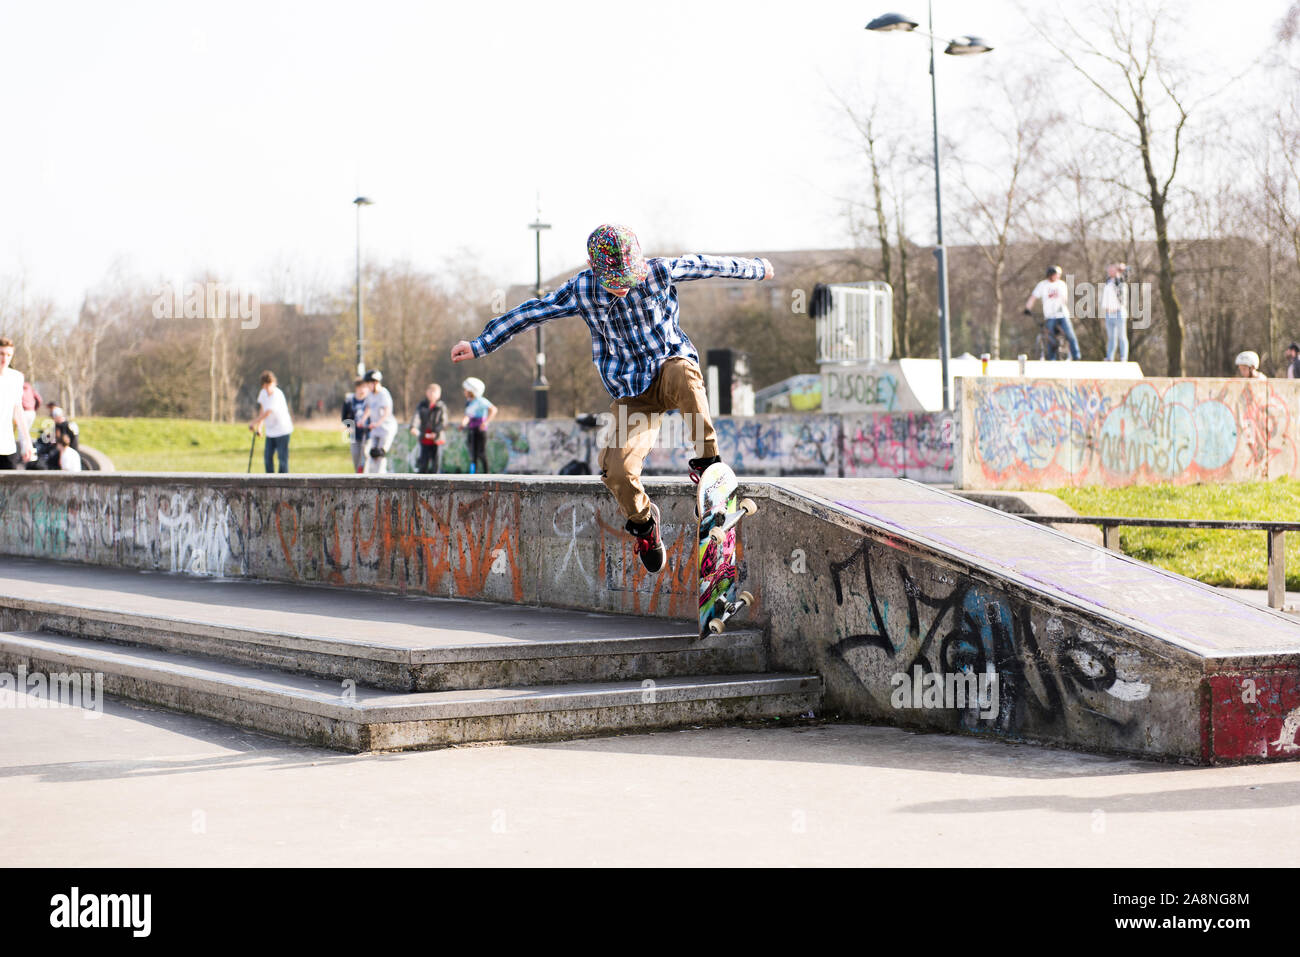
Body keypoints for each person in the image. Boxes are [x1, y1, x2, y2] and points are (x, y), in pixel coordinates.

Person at [451, 223, 775, 573]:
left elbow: (708, 264)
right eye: (614, 281)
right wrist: (480, 344)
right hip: (633, 394)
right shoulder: (582, 289)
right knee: (616, 470)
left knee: (685, 373)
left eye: (628, 278)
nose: (622, 287)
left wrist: (758, 269)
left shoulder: (658, 271)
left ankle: (707, 464)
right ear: (594, 269)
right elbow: (531, 312)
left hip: (668, 370)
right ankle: (646, 525)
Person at [1025, 265, 1080, 361]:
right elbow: (1033, 297)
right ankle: (1052, 358)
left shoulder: (1061, 284)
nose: (1058, 276)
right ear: (1050, 275)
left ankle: (1076, 356)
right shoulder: (1042, 285)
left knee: (1070, 334)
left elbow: (1065, 299)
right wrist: (1027, 308)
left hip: (1062, 314)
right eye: (1056, 274)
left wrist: (1062, 304)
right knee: (1049, 337)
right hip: (1050, 316)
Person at [0, 337, 36, 469]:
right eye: (1, 354)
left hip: (7, 446)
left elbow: (18, 411)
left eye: (8, 355)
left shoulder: (16, 378)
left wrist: (27, 442)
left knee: (10, 488)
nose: (4, 358)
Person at [249, 370, 294, 473]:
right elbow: (262, 410)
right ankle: (269, 481)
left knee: (282, 459)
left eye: (270, 385)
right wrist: (259, 427)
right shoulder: (263, 393)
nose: (268, 388)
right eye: (266, 386)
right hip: (271, 432)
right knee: (267, 458)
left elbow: (267, 412)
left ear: (274, 383)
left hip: (283, 430)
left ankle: (283, 483)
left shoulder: (277, 395)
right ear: (263, 386)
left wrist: (253, 422)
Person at [358, 369, 397, 474]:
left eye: (369, 384)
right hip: (375, 429)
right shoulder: (370, 395)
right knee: (371, 453)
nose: (367, 387)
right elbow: (368, 409)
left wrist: (378, 423)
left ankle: (381, 476)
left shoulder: (384, 394)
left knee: (379, 453)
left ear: (375, 382)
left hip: (387, 428)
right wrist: (362, 420)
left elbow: (387, 412)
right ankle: (372, 475)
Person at [460, 377, 496, 475]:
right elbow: (467, 416)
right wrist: (463, 423)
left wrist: (486, 422)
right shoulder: (468, 402)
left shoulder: (481, 401)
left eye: (466, 390)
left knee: (481, 453)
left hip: (480, 431)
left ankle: (486, 473)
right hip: (471, 429)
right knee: (473, 454)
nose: (464, 392)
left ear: (472, 390)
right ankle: (473, 474)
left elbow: (493, 409)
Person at [409, 383, 448, 475]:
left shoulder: (441, 407)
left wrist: (436, 432)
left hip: (437, 439)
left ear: (438, 395)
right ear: (427, 393)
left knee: (436, 463)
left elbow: (444, 422)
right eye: (430, 392)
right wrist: (413, 427)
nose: (431, 394)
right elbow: (416, 417)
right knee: (423, 463)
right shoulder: (422, 405)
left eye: (434, 392)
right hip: (424, 438)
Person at [1101, 262, 1129, 362]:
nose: (1109, 272)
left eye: (1111, 270)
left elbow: (1125, 276)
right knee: (1111, 337)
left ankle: (1123, 357)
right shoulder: (1108, 282)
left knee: (1122, 336)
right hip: (1109, 313)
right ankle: (1109, 357)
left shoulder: (1120, 281)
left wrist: (1122, 269)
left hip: (1119, 312)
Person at [342, 377, 370, 473]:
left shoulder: (370, 400)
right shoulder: (349, 401)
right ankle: (357, 476)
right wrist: (348, 426)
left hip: (367, 433)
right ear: (356, 388)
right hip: (354, 433)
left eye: (364, 387)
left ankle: (365, 476)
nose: (362, 390)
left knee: (365, 455)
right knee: (355, 455)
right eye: (360, 387)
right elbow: (344, 417)